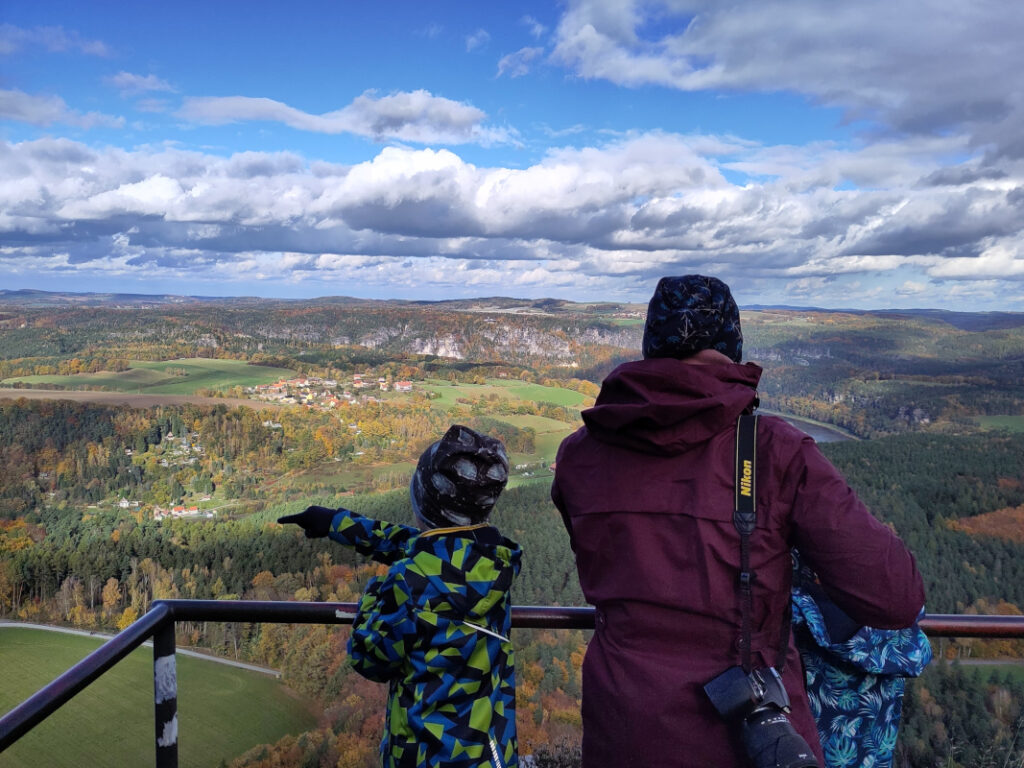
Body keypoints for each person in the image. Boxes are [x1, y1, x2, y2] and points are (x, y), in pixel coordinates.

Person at [550, 275, 926, 768]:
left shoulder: (580, 455)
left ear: (650, 345)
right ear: (733, 343)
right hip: (746, 739)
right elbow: (896, 597)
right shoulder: (774, 450)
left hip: (622, 731)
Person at [278, 424, 522, 768]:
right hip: (490, 757)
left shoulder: (408, 583)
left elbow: (368, 658)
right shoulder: (495, 561)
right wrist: (337, 523)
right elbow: (427, 547)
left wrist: (374, 593)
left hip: (423, 756)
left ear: (424, 503)